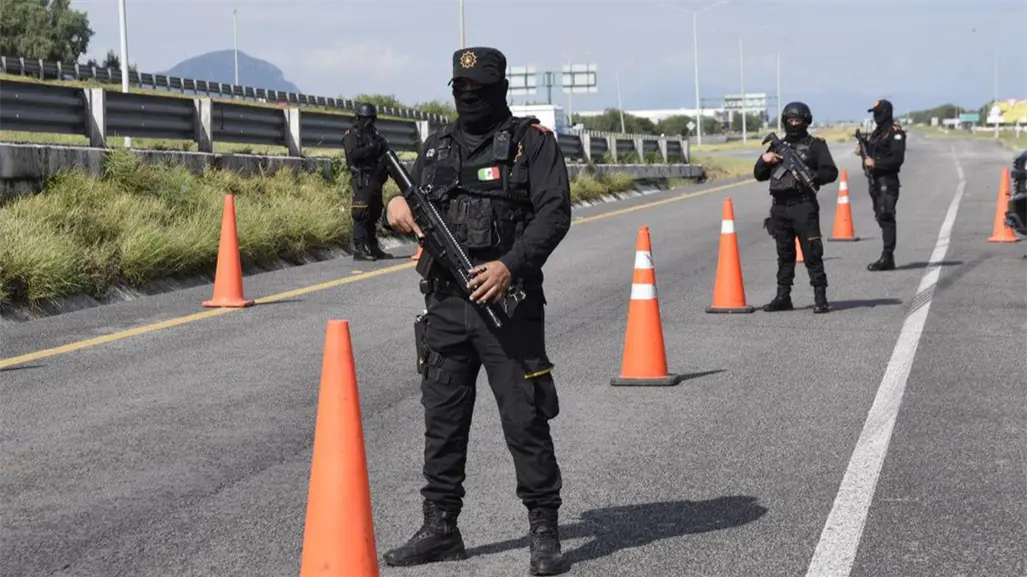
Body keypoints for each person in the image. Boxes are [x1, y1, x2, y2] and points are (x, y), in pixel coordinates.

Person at [380, 46, 573, 576]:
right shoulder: (436, 145)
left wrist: (510, 266)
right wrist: (391, 208)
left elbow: (555, 214)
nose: (468, 99)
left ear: (500, 90)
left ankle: (544, 530)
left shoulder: (531, 145)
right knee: (442, 420)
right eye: (460, 91)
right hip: (445, 305)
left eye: (478, 92)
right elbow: (405, 204)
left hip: (506, 305)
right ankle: (441, 526)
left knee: (524, 417)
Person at [754, 101, 839, 314]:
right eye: (790, 120)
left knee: (812, 253)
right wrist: (764, 160)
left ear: (806, 121)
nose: (794, 124)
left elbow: (831, 172)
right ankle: (783, 296)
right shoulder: (777, 147)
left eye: (798, 121)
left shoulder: (816, 145)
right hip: (780, 208)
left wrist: (811, 175)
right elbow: (759, 175)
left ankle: (820, 297)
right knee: (784, 255)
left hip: (804, 206)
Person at [858, 99, 906, 271]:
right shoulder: (877, 133)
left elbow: (897, 158)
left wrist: (875, 163)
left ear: (886, 113)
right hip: (875, 181)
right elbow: (871, 153)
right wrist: (862, 152)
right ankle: (887, 255)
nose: (876, 116)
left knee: (886, 216)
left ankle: (887, 257)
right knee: (880, 216)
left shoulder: (895, 132)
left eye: (878, 113)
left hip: (887, 180)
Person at [343, 102, 393, 261]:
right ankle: (359, 249)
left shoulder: (375, 135)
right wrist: (371, 149)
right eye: (367, 119)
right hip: (361, 179)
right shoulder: (352, 135)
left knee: (374, 212)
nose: (369, 123)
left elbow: (386, 153)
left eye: (372, 119)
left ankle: (372, 246)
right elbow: (353, 156)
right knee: (361, 213)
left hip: (375, 179)